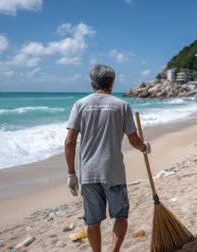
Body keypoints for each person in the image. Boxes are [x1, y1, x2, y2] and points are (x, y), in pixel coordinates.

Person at [65, 64, 151, 252]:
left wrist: (71, 173)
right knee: (120, 216)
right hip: (113, 172)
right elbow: (134, 140)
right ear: (112, 82)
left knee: (93, 221)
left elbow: (69, 142)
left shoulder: (80, 105)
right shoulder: (122, 105)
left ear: (91, 82)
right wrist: (144, 148)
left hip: (89, 174)